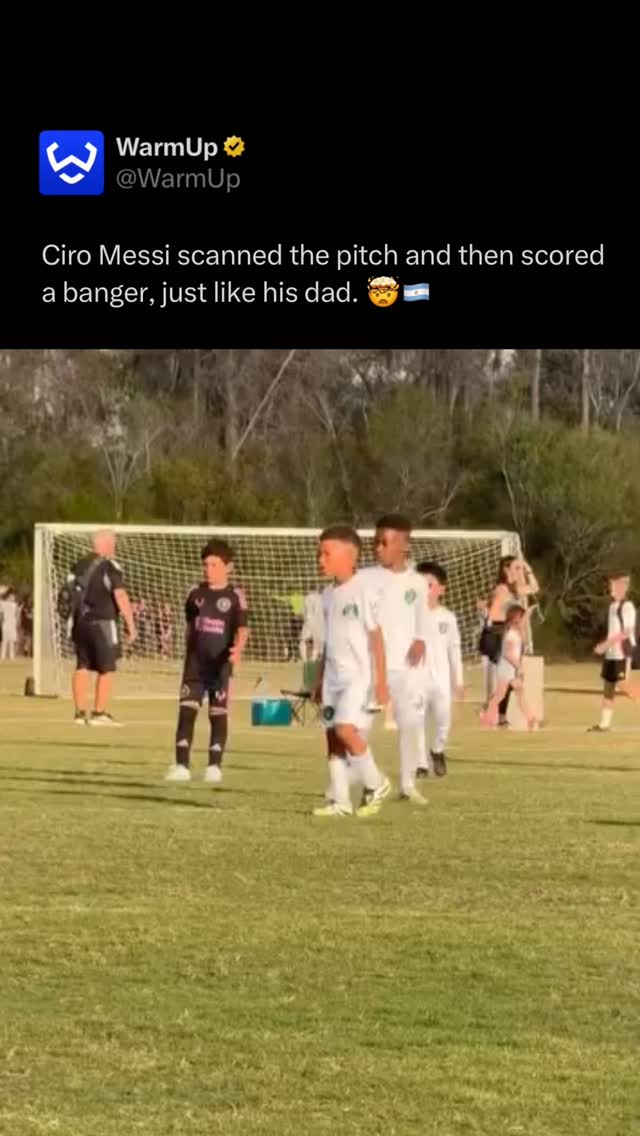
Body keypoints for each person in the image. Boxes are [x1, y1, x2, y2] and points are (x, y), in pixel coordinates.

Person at [312, 525, 390, 818]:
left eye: (326, 553)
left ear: (349, 555)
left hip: (358, 677)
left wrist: (382, 683)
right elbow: (329, 641)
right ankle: (341, 803)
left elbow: (377, 637)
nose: (320, 559)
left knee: (346, 730)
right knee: (332, 737)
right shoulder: (328, 594)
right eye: (319, 553)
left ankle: (376, 782)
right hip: (332, 678)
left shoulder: (364, 590)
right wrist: (319, 679)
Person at [165, 539, 249, 783]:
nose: (208, 570)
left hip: (221, 665)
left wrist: (238, 650)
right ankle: (182, 766)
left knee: (218, 713)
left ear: (227, 567)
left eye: (214, 565)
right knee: (186, 712)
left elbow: (242, 629)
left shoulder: (235, 596)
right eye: (205, 565)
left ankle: (214, 766)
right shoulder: (195, 593)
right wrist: (185, 653)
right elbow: (190, 627)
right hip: (194, 665)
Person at [359, 515, 430, 804]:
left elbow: (421, 618)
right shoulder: (365, 578)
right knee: (360, 725)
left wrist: (421, 639)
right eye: (375, 542)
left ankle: (408, 785)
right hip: (371, 664)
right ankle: (370, 782)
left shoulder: (418, 582)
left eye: (384, 542)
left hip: (405, 666)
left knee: (410, 723)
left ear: (403, 545)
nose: (377, 548)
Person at [68, 530, 137, 725]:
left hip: (80, 621)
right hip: (104, 622)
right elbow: (120, 594)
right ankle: (99, 713)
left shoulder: (78, 565)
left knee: (81, 665)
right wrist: (131, 624)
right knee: (106, 667)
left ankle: (79, 713)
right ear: (105, 544)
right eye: (113, 543)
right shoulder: (109, 565)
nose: (114, 547)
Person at [414, 562, 464, 779]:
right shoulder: (410, 616)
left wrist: (458, 680)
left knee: (444, 720)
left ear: (441, 589)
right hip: (416, 678)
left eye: (430, 584)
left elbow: (454, 650)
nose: (425, 589)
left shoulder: (448, 618)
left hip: (441, 679)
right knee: (417, 721)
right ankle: (420, 764)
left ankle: (437, 750)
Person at [478, 556, 539, 725]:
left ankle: (499, 716)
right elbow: (493, 615)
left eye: (520, 568)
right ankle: (491, 713)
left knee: (508, 683)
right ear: (506, 570)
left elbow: (534, 588)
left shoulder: (514, 589)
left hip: (506, 635)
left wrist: (528, 569)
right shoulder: (502, 589)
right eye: (516, 568)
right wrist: (512, 621)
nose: (520, 571)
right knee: (506, 682)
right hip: (496, 636)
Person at [588, 573, 638, 732]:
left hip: (622, 652)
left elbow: (626, 631)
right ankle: (604, 724)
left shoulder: (627, 606)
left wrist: (605, 645)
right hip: (611, 653)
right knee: (608, 687)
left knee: (624, 685)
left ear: (622, 588)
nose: (611, 588)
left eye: (614, 585)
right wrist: (606, 647)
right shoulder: (612, 607)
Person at [481, 606, 538, 729]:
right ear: (515, 619)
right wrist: (519, 667)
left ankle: (530, 718)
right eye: (520, 617)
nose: (523, 620)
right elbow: (507, 654)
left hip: (511, 668)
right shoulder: (511, 634)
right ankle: (487, 718)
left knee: (519, 692)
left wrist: (528, 612)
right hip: (507, 668)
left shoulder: (515, 632)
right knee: (500, 695)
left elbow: (523, 624)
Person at [0, 589, 20, 660]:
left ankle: (12, 656)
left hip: (12, 624)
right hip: (6, 624)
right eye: (12, 597)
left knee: (12, 641)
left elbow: (17, 614)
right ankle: (2, 656)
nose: (13, 598)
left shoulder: (14, 605)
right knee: (5, 641)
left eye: (13, 597)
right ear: (8, 597)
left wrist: (17, 623)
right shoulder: (3, 604)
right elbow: (2, 614)